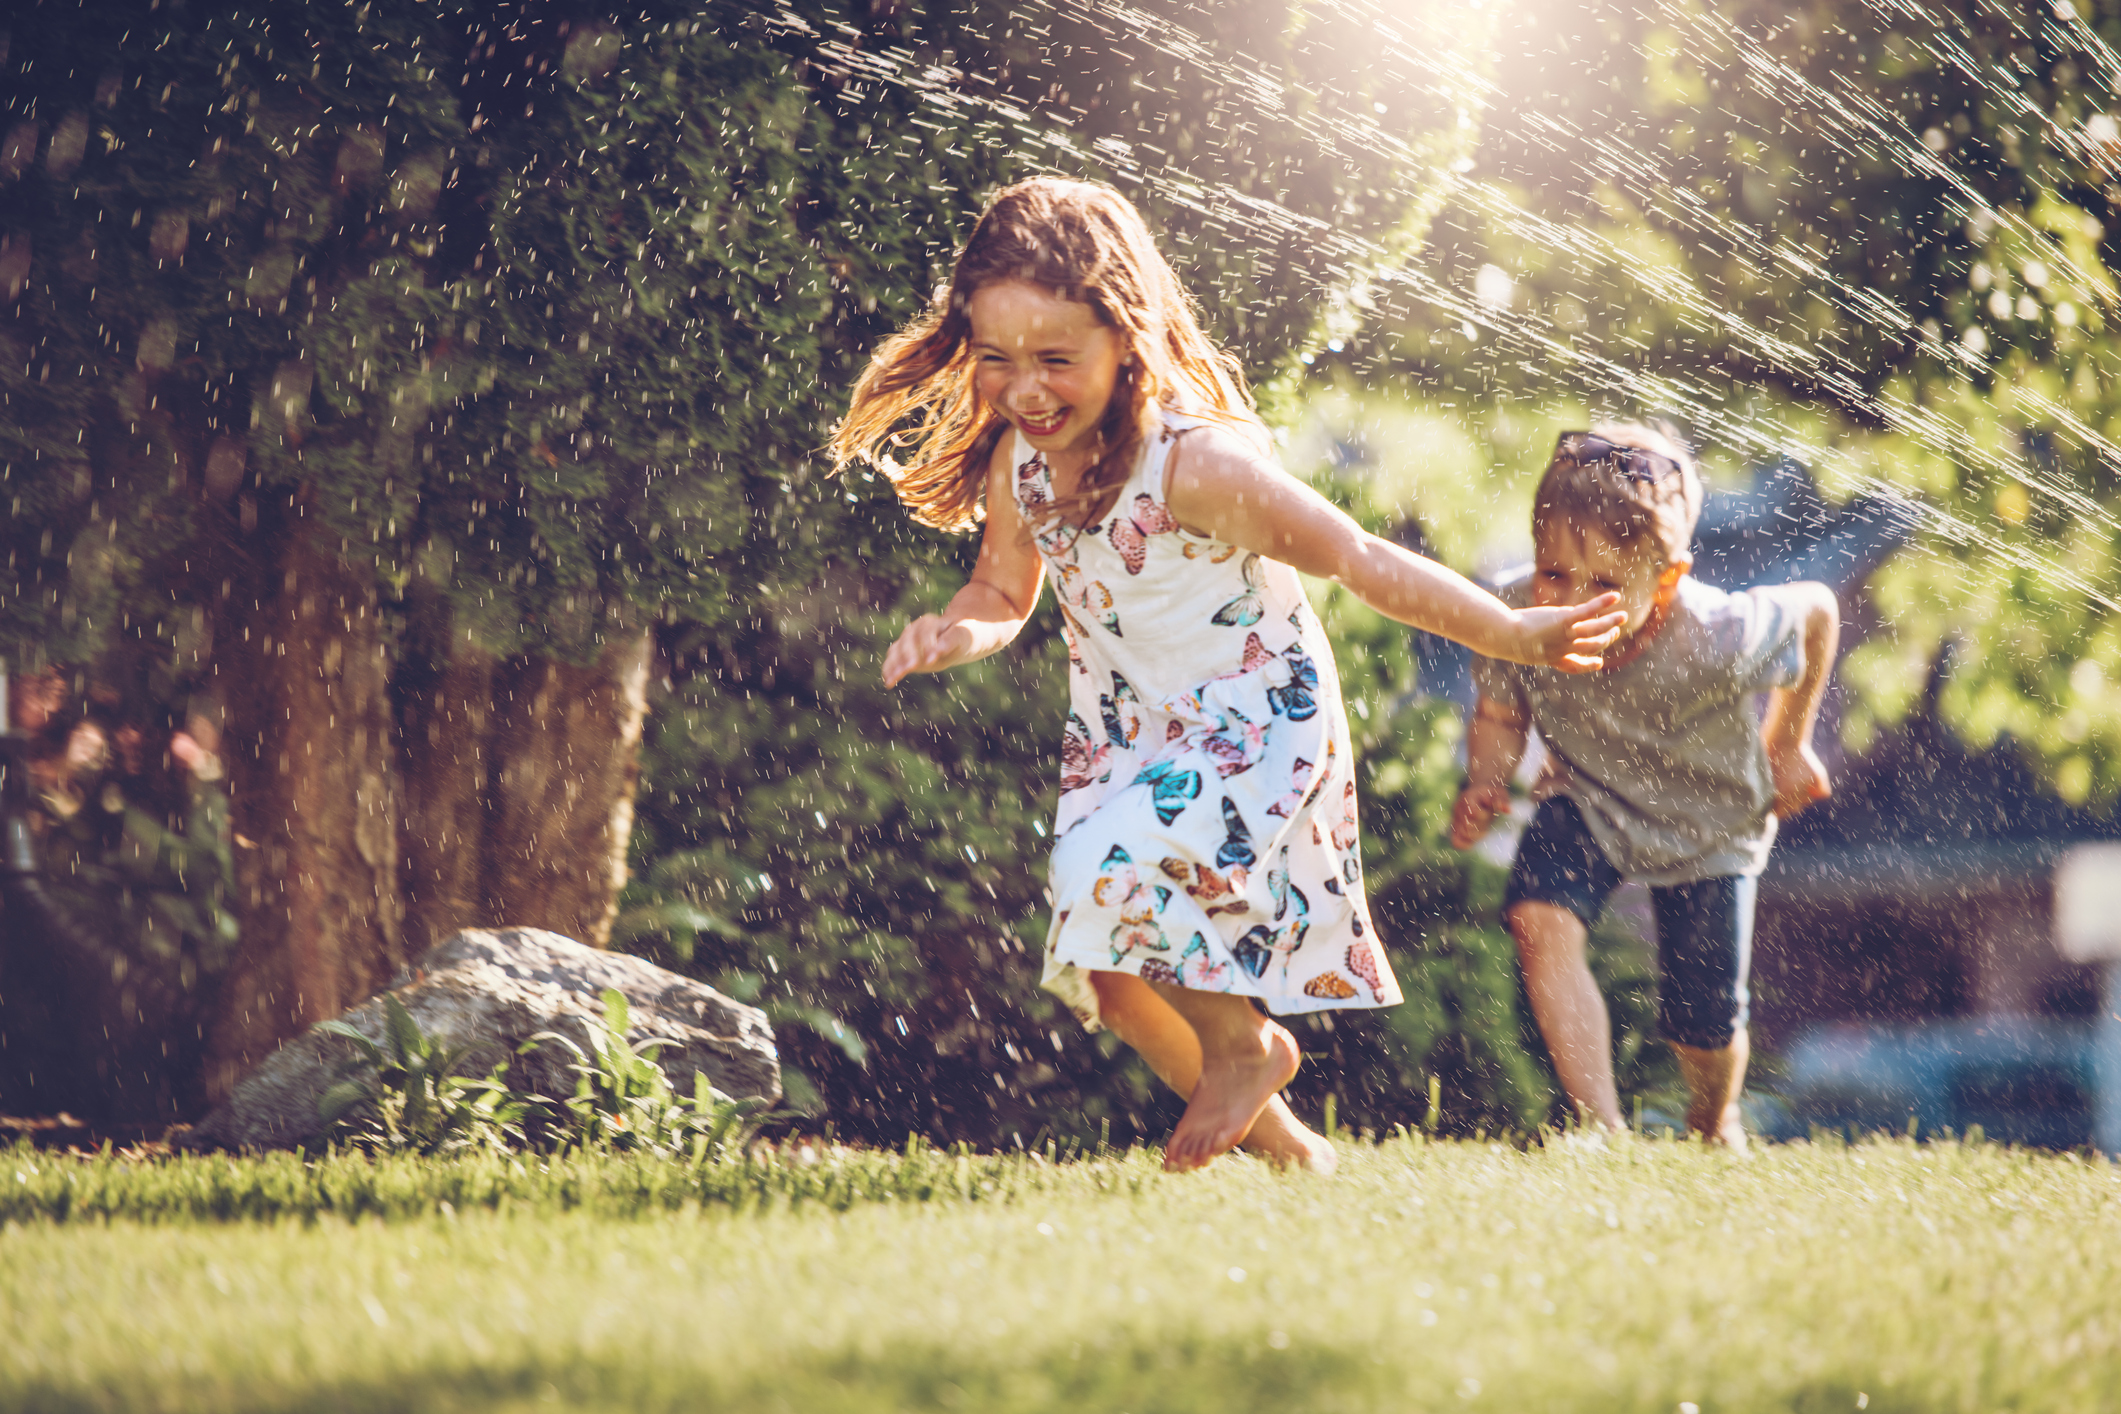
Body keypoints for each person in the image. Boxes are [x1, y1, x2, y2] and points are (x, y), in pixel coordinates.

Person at [832, 177, 1625, 1172]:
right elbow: (1000, 589)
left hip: (1252, 721)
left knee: (1101, 876)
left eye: (1055, 360)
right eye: (996, 360)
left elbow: (1358, 558)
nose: (1025, 388)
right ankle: (1293, 1153)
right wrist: (957, 631)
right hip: (1132, 736)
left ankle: (1247, 1047)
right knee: (1108, 975)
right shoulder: (1022, 467)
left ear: (1125, 338)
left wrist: (1512, 631)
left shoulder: (1194, 465)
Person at [1450, 424, 1841, 1148]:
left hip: (1708, 824)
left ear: (1665, 581)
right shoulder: (1515, 618)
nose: (1569, 601)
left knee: (1701, 1019)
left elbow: (1818, 607)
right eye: (1552, 572)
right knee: (1538, 919)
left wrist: (1787, 744)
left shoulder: (1721, 632)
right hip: (1586, 797)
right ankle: (1599, 1130)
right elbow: (1501, 711)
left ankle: (1711, 1118)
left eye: (1603, 584)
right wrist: (1485, 777)